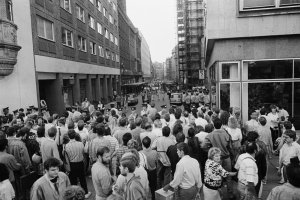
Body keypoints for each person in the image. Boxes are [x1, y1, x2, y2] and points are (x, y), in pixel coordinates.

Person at [65, 129, 91, 198]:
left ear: (68, 136)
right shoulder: (80, 144)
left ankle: (74, 194)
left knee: (73, 180)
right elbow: (83, 152)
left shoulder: (66, 146)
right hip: (80, 163)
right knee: (82, 179)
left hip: (72, 164)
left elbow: (66, 156)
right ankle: (85, 193)